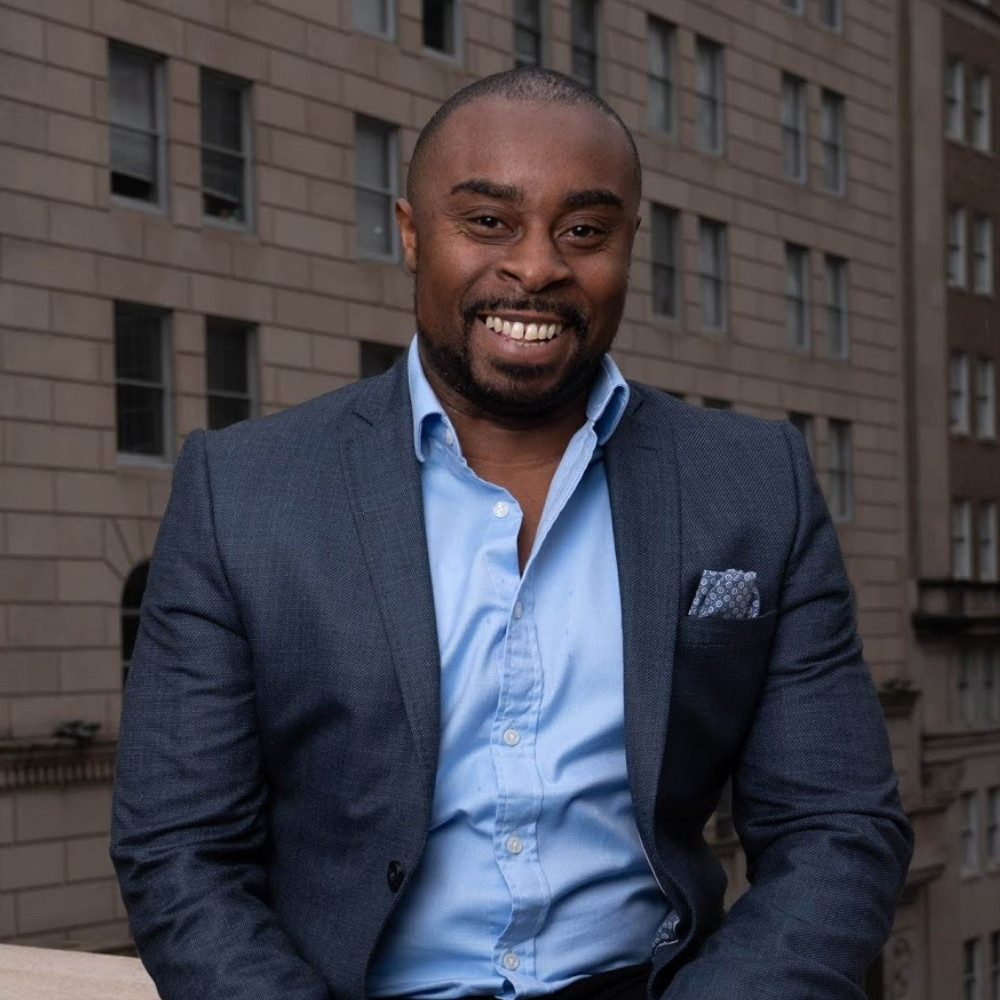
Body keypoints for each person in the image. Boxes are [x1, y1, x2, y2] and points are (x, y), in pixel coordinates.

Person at [111, 68, 913, 1000]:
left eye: (584, 231)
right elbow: (180, 848)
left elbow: (838, 826)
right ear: (412, 233)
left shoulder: (754, 482)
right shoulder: (242, 490)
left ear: (629, 244)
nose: (536, 267)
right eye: (489, 221)